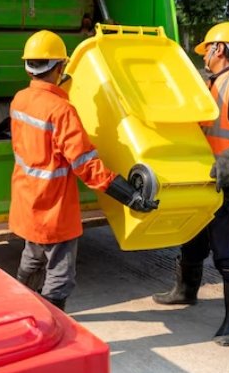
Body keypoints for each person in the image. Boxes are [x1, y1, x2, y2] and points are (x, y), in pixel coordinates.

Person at [9, 30, 157, 312]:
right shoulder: (61, 110)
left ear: (29, 66)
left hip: (27, 200)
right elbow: (87, 165)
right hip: (54, 207)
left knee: (33, 257)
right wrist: (130, 196)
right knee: (60, 276)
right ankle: (51, 324)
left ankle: (20, 309)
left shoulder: (19, 100)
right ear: (59, 67)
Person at [152, 21, 229, 346]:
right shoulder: (212, 83)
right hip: (203, 179)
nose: (204, 55)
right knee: (192, 236)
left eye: (207, 48)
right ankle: (185, 291)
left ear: (219, 49)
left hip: (228, 181)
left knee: (225, 247)